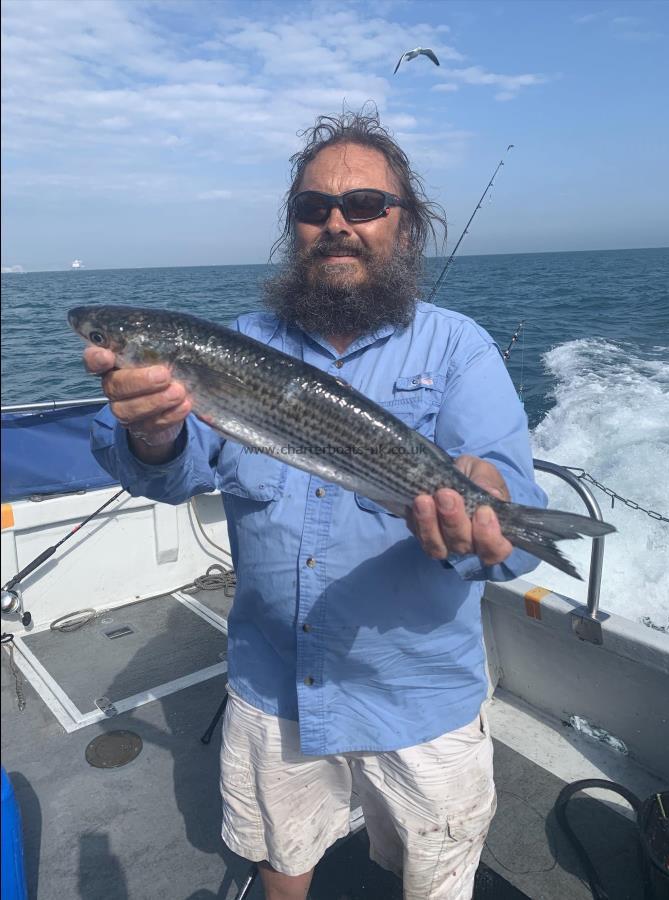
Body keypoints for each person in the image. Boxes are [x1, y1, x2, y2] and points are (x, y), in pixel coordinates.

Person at [85, 110, 547, 900]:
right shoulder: (231, 344)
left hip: (418, 696)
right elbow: (161, 472)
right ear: (292, 227)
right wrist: (154, 434)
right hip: (273, 688)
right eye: (312, 208)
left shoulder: (457, 347)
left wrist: (489, 519)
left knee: (434, 880)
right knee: (281, 864)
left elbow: (517, 534)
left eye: (365, 204)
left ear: (407, 227)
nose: (336, 223)